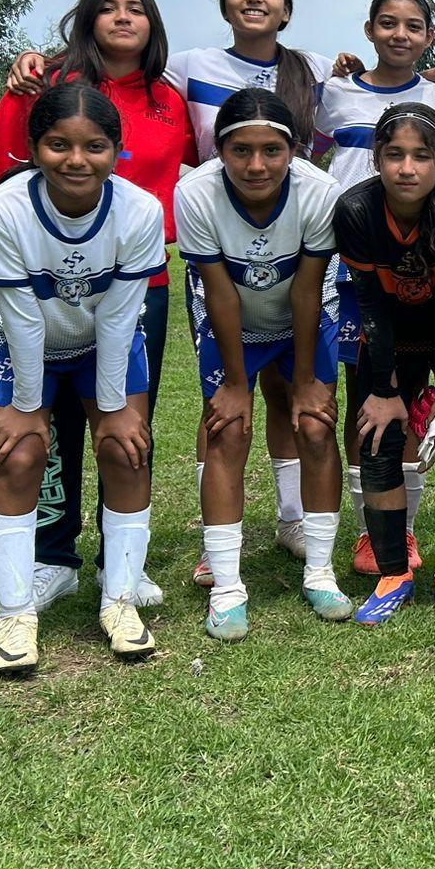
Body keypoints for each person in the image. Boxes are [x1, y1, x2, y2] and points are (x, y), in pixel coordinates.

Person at [9, 0, 336, 580]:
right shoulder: (178, 71)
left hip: (151, 270)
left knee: (135, 411)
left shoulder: (189, 91)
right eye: (110, 8)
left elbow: (362, 76)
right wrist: (34, 64)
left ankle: (129, 557)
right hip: (72, 265)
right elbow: (4, 169)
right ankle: (57, 556)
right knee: (188, 415)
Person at [0, 0, 193, 613]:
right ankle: (54, 556)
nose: (123, 19)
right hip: (35, 281)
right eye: (108, 8)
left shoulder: (166, 99)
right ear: (86, 18)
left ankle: (120, 568)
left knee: (124, 421)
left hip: (135, 280)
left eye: (137, 9)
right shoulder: (44, 84)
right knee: (50, 423)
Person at [0, 84, 166, 673]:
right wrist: (28, 407)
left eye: (94, 146)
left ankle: (120, 600)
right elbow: (20, 315)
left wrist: (114, 406)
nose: (76, 160)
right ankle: (17, 612)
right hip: (15, 333)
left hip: (98, 337)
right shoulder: (5, 209)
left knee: (125, 447)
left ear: (117, 149)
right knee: (21, 454)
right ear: (34, 148)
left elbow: (118, 312)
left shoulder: (141, 211)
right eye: (58, 145)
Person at [174, 88, 352, 640]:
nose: (256, 165)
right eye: (241, 151)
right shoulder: (195, 193)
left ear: (295, 150)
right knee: (227, 429)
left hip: (301, 309)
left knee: (316, 425)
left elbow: (307, 289)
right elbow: (220, 293)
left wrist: (304, 382)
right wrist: (233, 381)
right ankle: (226, 584)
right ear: (218, 151)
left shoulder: (320, 192)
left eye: (272, 151)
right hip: (230, 315)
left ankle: (319, 570)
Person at [335, 103, 435, 628]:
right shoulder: (355, 209)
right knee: (378, 439)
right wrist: (383, 387)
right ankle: (392, 574)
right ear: (376, 158)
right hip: (390, 334)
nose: (407, 168)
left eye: (421, 156)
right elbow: (370, 304)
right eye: (394, 155)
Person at [316, 0, 435, 577]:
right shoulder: (334, 91)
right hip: (358, 259)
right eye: (388, 24)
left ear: (429, 36)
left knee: (421, 399)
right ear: (368, 29)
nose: (401, 34)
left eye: (414, 26)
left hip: (430, 261)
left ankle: (410, 527)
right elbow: (307, 146)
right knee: (369, 391)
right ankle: (373, 532)